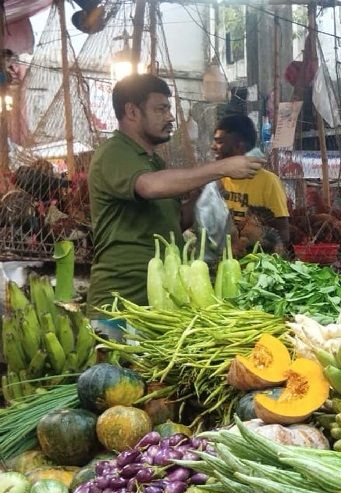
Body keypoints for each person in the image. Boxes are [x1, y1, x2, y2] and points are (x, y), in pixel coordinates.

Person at [87, 74, 262, 326]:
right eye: (161, 109)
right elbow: (149, 187)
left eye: (169, 109)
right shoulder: (114, 151)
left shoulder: (154, 162)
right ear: (132, 111)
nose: (170, 117)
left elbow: (175, 222)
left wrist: (204, 191)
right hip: (120, 305)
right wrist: (221, 168)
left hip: (159, 305)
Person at [212, 114, 290, 246]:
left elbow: (283, 234)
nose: (213, 146)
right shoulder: (216, 180)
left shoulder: (268, 181)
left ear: (239, 146)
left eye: (220, 142)